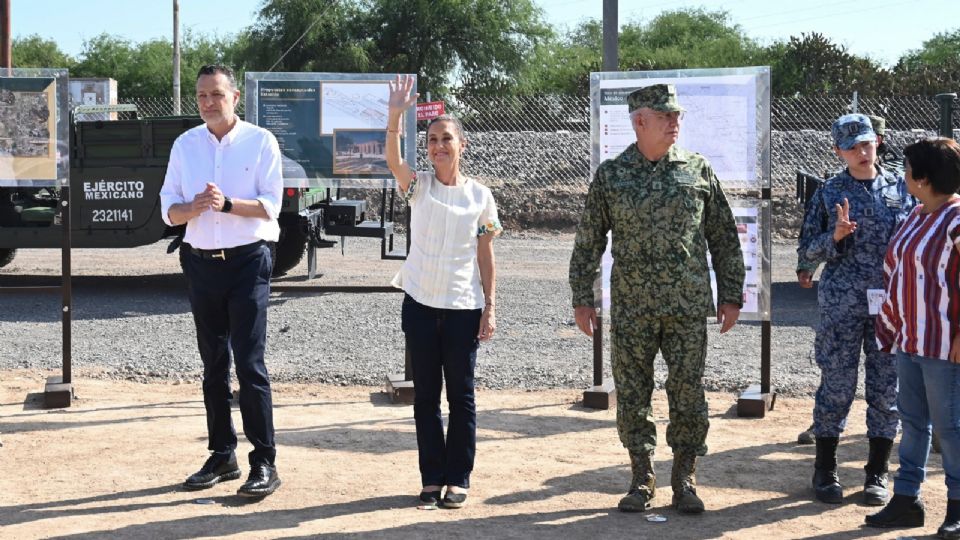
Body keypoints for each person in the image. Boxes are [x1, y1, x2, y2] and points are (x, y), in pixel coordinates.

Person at [568, 84, 745, 514]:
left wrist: (732, 293)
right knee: (632, 393)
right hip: (631, 308)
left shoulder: (697, 170)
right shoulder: (612, 175)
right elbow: (589, 239)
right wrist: (581, 296)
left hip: (685, 307)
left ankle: (684, 478)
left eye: (677, 115)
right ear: (639, 121)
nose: (675, 123)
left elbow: (723, 235)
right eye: (665, 116)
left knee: (687, 391)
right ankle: (641, 477)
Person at [160, 64, 283, 498]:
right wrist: (191, 209)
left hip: (249, 261)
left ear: (234, 97)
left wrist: (227, 204)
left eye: (216, 94)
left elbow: (271, 206)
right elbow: (167, 209)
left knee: (249, 364)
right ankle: (222, 453)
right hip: (200, 264)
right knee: (213, 365)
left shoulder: (260, 141)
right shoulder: (185, 144)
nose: (208, 103)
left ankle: (264, 462)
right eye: (201, 96)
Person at [385, 75, 501, 510]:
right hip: (419, 305)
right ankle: (431, 479)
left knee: (462, 398)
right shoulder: (419, 187)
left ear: (462, 144)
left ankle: (459, 478)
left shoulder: (480, 197)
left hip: (462, 309)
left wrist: (490, 307)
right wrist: (397, 113)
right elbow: (393, 159)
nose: (438, 146)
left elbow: (485, 256)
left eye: (446, 139)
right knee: (426, 398)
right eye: (432, 140)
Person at [798, 113, 914, 506]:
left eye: (867, 144)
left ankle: (876, 472)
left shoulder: (902, 186)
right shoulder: (829, 192)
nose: (863, 152)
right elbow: (804, 254)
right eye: (853, 147)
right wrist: (834, 237)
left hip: (890, 305)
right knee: (837, 385)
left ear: (877, 142)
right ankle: (825, 469)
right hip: (842, 304)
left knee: (886, 388)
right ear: (838, 151)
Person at [866, 137, 960, 539]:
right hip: (911, 340)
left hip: (944, 345)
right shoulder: (916, 215)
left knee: (951, 427)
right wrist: (891, 326)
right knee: (913, 422)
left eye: (906, 169)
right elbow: (896, 272)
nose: (902, 175)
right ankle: (907, 500)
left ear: (922, 177)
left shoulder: (956, 219)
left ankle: (957, 507)